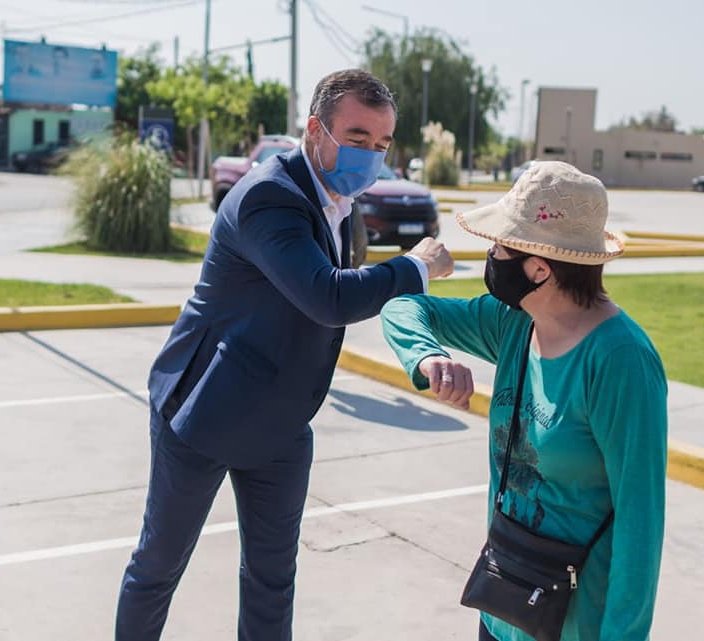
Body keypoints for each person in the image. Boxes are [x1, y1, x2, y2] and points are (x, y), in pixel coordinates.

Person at [115, 69, 454, 641]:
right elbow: (328, 296)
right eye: (357, 138)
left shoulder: (337, 197)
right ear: (316, 130)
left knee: (273, 578)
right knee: (159, 567)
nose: (370, 154)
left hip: (281, 420)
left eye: (381, 144)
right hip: (204, 410)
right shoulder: (269, 196)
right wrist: (417, 266)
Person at [381, 161, 667, 641]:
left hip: (575, 626)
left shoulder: (621, 361)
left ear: (539, 267)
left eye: (499, 246)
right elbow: (403, 307)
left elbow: (641, 522)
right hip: (502, 607)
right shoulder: (513, 322)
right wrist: (429, 359)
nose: (490, 255)